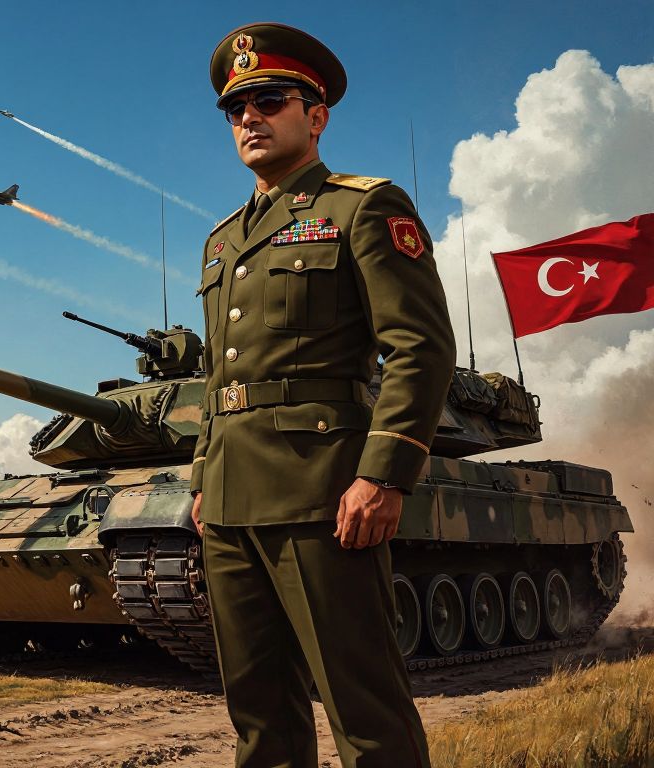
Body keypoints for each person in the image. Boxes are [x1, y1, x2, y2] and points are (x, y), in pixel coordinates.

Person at [190, 22, 455, 768]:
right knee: (259, 718)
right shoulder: (222, 241)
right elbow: (222, 375)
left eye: (268, 100)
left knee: (363, 711)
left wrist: (382, 473)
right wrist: (206, 475)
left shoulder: (361, 207)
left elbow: (420, 346)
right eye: (235, 108)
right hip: (232, 498)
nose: (249, 117)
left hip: (323, 493)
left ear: (316, 115)